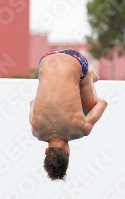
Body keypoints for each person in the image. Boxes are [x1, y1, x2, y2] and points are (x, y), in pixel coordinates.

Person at [29, 49, 108, 181]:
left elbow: (102, 102)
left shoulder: (81, 130)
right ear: (46, 151)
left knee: (89, 109)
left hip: (77, 60)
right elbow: (32, 103)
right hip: (45, 59)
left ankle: (87, 76)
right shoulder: (36, 131)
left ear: (68, 152)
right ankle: (73, 80)